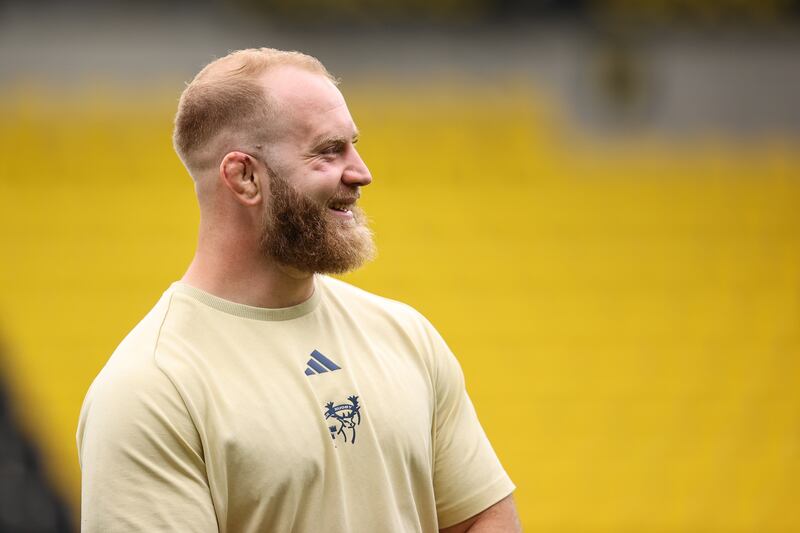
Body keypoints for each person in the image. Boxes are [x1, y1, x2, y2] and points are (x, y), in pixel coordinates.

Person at [77, 47, 519, 533]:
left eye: (353, 145)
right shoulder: (150, 389)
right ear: (244, 177)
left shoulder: (407, 335)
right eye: (329, 150)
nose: (362, 172)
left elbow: (482, 517)